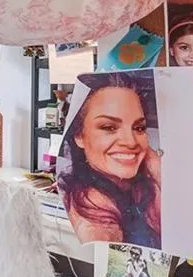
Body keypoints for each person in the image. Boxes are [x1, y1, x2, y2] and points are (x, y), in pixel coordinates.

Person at [57, 72, 163, 249]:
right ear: (79, 135)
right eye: (109, 127)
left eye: (139, 128)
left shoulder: (143, 186)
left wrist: (155, 166)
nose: (130, 141)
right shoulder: (93, 210)